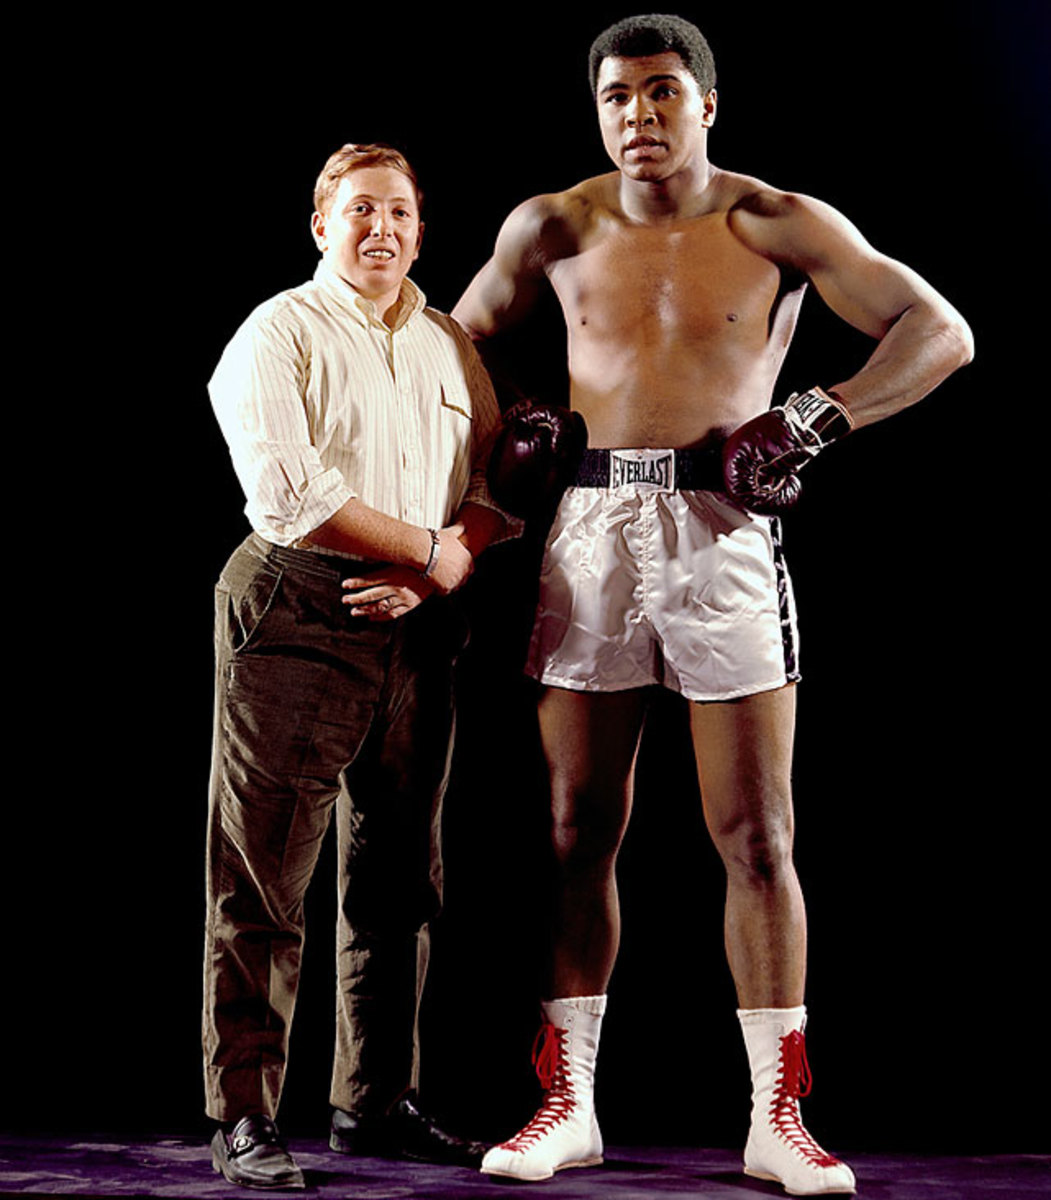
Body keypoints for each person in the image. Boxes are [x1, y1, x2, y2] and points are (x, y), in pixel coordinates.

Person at [453, 14, 972, 1196]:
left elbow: (940, 331)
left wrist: (815, 415)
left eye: (661, 93)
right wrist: (518, 419)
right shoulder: (551, 222)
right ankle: (567, 1103)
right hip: (585, 532)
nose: (639, 114)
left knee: (756, 835)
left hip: (723, 533)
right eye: (617, 96)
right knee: (576, 829)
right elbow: (449, 342)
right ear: (597, 110)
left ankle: (776, 1118)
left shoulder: (773, 220)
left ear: (706, 105)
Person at [204, 142, 513, 1189]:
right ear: (321, 225)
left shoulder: (443, 343)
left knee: (398, 884)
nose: (380, 228)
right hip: (300, 605)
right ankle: (244, 1117)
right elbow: (291, 497)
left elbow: (496, 475)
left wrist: (437, 570)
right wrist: (429, 549)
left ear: (421, 229)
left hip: (419, 626)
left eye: (399, 212)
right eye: (359, 211)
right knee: (264, 880)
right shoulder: (275, 333)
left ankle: (371, 1105)